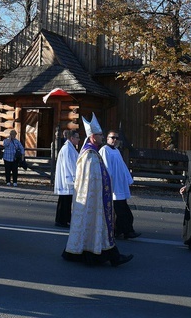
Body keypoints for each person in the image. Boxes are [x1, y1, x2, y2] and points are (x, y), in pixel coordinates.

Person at [62, 113, 133, 267]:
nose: (103, 137)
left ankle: (109, 256)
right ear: (93, 137)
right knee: (98, 227)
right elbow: (90, 180)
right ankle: (111, 257)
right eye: (100, 135)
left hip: (97, 198)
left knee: (97, 228)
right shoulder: (90, 154)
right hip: (93, 199)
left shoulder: (92, 152)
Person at [99, 130, 140, 239]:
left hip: (120, 186)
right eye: (112, 137)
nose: (115, 140)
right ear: (107, 139)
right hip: (114, 188)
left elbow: (122, 166)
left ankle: (121, 231)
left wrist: (128, 179)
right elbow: (106, 168)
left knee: (123, 211)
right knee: (122, 212)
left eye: (117, 138)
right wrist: (109, 184)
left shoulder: (116, 150)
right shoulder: (104, 150)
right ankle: (126, 231)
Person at [54, 129, 79, 228]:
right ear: (72, 138)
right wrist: (74, 178)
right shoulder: (68, 149)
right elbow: (70, 165)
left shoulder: (70, 147)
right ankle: (61, 221)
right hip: (67, 180)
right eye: (77, 137)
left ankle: (64, 219)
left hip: (66, 179)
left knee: (66, 201)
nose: (79, 139)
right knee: (64, 201)